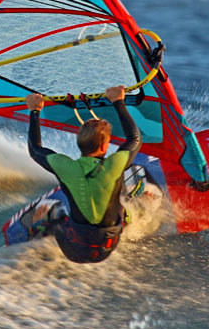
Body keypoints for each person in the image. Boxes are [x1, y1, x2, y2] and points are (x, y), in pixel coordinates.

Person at [25, 85, 141, 263]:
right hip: (107, 246)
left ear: (80, 144)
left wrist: (34, 111)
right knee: (120, 199)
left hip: (73, 249)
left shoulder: (64, 166)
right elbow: (134, 139)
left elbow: (35, 149)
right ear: (104, 147)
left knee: (53, 211)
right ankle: (130, 218)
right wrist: (118, 101)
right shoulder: (114, 165)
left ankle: (40, 226)